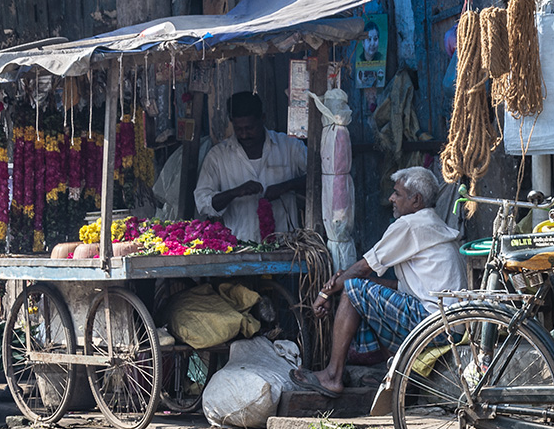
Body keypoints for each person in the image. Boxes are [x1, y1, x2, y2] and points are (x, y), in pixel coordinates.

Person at [292, 166, 464, 397]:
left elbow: (363, 268)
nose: (391, 198)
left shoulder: (410, 225)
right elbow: (400, 287)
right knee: (362, 288)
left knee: (354, 288)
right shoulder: (432, 224)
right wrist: (346, 279)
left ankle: (333, 376)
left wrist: (326, 293)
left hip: (435, 325)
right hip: (449, 325)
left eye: (398, 194)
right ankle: (397, 373)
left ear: (416, 200)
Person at [193, 92, 307, 243]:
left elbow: (318, 178)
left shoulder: (289, 146)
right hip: (240, 248)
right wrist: (235, 192)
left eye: (250, 128)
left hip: (286, 246)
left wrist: (286, 186)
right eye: (239, 129)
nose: (245, 134)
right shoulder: (218, 156)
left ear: (263, 118)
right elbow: (203, 202)